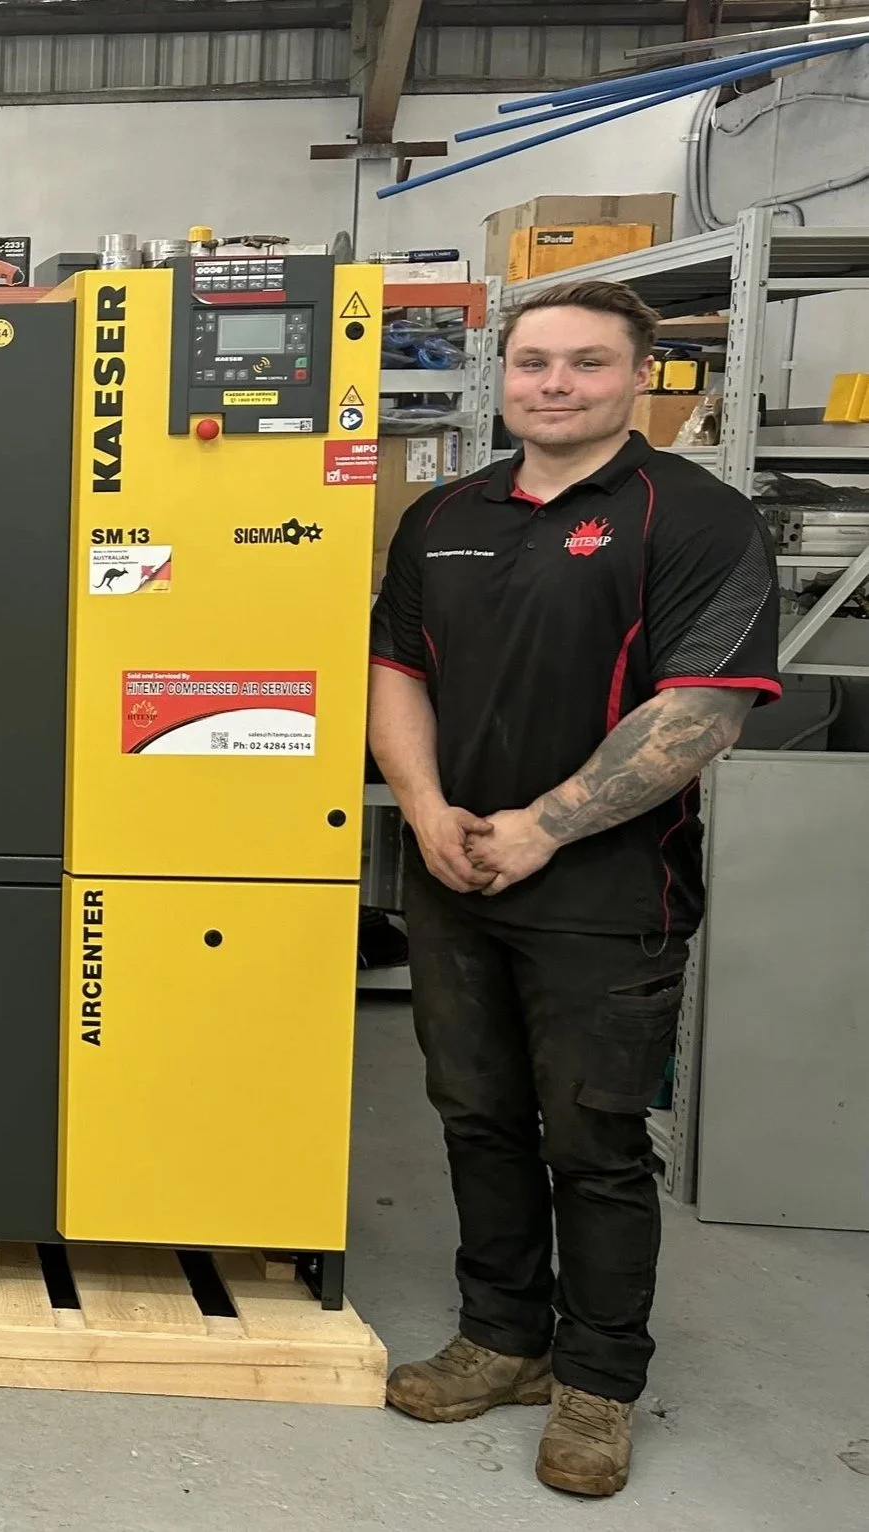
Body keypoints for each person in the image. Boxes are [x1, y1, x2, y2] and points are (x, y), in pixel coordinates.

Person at [368, 279, 780, 1498]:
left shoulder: (691, 515)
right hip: (453, 870)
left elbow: (699, 708)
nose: (554, 384)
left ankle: (596, 1382)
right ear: (500, 375)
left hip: (605, 889)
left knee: (593, 1138)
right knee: (474, 1112)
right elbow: (394, 668)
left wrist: (543, 827)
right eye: (533, 362)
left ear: (637, 378)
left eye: (586, 364)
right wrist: (430, 811)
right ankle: (499, 1335)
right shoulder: (445, 511)